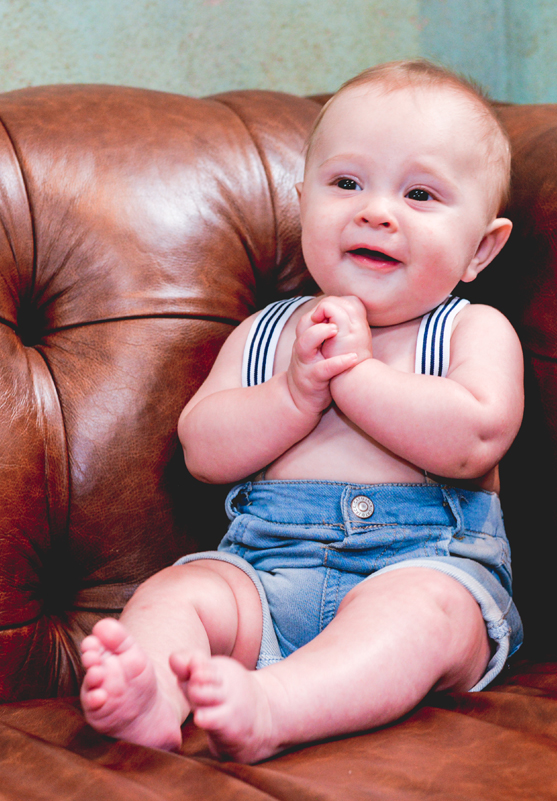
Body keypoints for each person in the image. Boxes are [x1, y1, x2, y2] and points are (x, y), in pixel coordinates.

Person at [78, 59, 524, 764]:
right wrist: (293, 393)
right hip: (265, 571)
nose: (375, 210)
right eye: (346, 183)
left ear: (480, 247)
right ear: (303, 202)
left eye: (420, 194)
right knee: (179, 592)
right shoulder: (268, 334)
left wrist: (356, 378)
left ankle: (277, 705)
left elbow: (474, 440)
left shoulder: (471, 332)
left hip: (422, 567)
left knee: (422, 616)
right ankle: (155, 698)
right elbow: (203, 450)